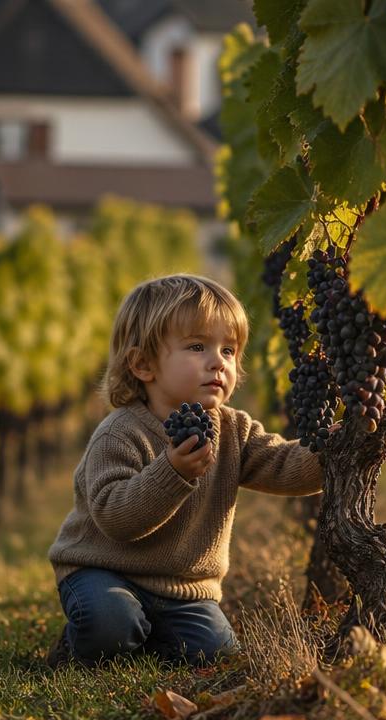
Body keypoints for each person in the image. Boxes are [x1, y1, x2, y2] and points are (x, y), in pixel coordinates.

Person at [46, 274, 325, 668]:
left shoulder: (233, 430)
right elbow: (116, 518)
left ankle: (147, 634)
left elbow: (283, 467)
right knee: (109, 625)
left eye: (229, 350)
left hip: (186, 589)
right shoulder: (119, 433)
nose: (218, 362)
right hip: (104, 572)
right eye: (198, 347)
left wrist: (335, 451)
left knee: (216, 656)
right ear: (143, 364)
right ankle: (79, 644)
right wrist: (172, 472)